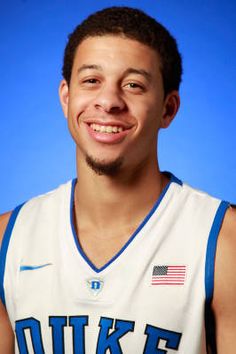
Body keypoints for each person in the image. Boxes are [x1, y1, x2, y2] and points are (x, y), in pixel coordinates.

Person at [0, 6, 235, 354]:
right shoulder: (8, 239)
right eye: (92, 80)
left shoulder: (223, 243)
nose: (109, 101)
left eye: (133, 85)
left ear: (168, 109)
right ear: (66, 97)